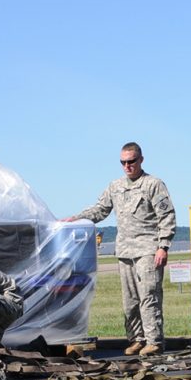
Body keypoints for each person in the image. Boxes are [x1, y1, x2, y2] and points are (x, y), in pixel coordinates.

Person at [67, 142, 176, 356]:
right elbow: (100, 209)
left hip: (148, 248)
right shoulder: (115, 186)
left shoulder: (153, 184)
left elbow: (167, 216)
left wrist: (163, 246)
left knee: (149, 296)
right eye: (123, 162)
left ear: (141, 160)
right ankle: (137, 339)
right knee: (130, 301)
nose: (127, 166)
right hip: (125, 251)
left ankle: (154, 341)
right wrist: (76, 218)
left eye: (131, 161)